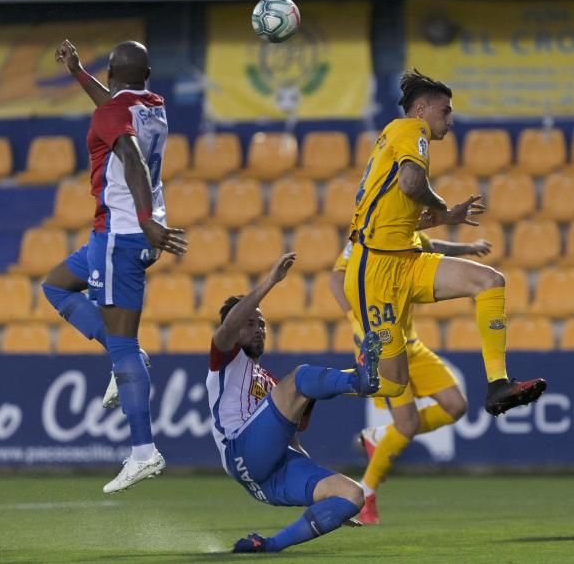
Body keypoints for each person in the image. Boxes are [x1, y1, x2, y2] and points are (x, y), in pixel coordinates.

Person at [343, 69, 546, 416]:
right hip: (375, 271)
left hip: (406, 258)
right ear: (421, 110)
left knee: (490, 281)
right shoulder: (412, 129)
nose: (451, 119)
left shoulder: (397, 134)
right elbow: (410, 184)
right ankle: (307, 384)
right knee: (391, 383)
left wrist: (444, 217)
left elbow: (402, 203)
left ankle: (498, 384)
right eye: (446, 111)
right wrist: (441, 206)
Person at [41, 39, 188, 493]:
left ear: (112, 72)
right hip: (125, 233)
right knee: (57, 286)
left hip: (122, 233)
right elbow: (115, 110)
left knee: (123, 346)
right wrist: (78, 74)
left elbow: (130, 158)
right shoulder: (152, 105)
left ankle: (143, 451)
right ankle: (127, 357)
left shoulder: (114, 115)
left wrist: (144, 221)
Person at [209, 252, 380, 554]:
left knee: (352, 495)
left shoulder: (269, 381)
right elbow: (227, 328)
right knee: (301, 377)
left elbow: (291, 435)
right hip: (241, 452)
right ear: (234, 329)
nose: (259, 328)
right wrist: (271, 281)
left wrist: (329, 500)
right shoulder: (225, 358)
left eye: (262, 323)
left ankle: (268, 546)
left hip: (265, 477)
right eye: (250, 323)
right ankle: (360, 381)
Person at [330, 231, 490, 524]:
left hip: (411, 344)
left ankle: (379, 437)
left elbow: (434, 246)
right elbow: (336, 277)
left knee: (455, 406)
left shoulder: (407, 231)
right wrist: (353, 317)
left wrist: (468, 247)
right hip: (382, 345)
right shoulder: (367, 236)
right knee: (407, 423)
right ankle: (365, 496)